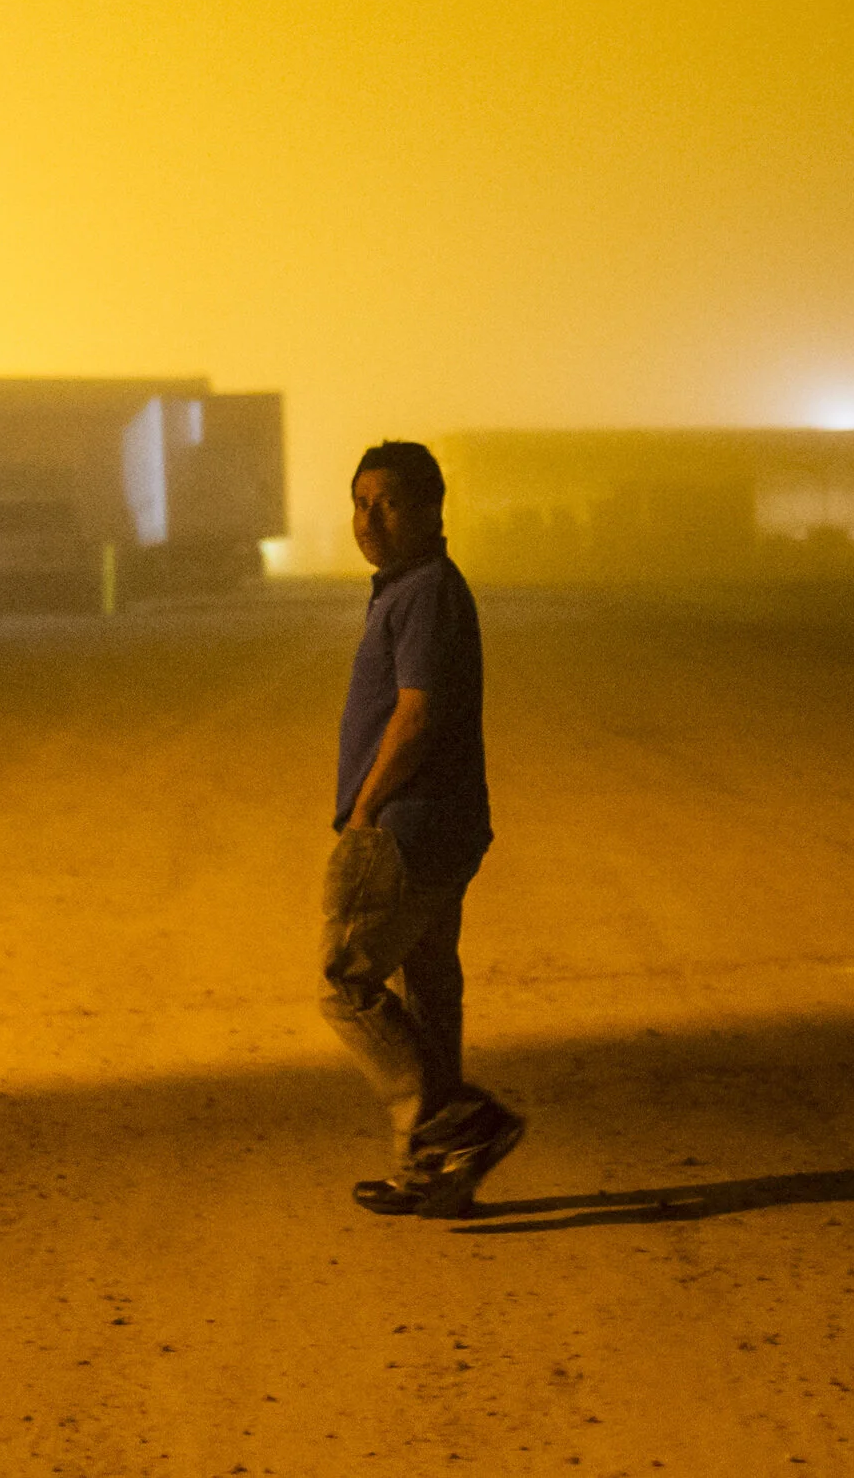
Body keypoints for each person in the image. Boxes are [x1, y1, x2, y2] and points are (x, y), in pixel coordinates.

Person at [321, 440, 525, 1218]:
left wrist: (366, 810)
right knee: (427, 987)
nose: (369, 518)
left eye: (388, 502)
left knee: (346, 982)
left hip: (408, 826)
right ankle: (432, 1171)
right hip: (443, 825)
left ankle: (456, 1119)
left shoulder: (427, 592)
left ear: (435, 508)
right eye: (360, 502)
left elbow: (417, 712)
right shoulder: (409, 589)